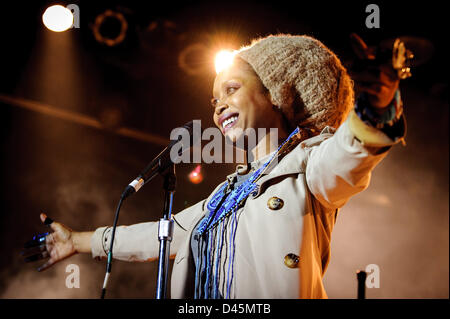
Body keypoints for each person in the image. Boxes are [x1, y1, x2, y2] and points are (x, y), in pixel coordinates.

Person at [24, 34, 406, 298]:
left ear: (276, 94)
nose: (219, 105)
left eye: (232, 89)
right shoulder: (224, 196)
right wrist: (77, 241)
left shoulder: (310, 165)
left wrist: (376, 109)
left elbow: (350, 154)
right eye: (214, 100)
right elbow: (162, 235)